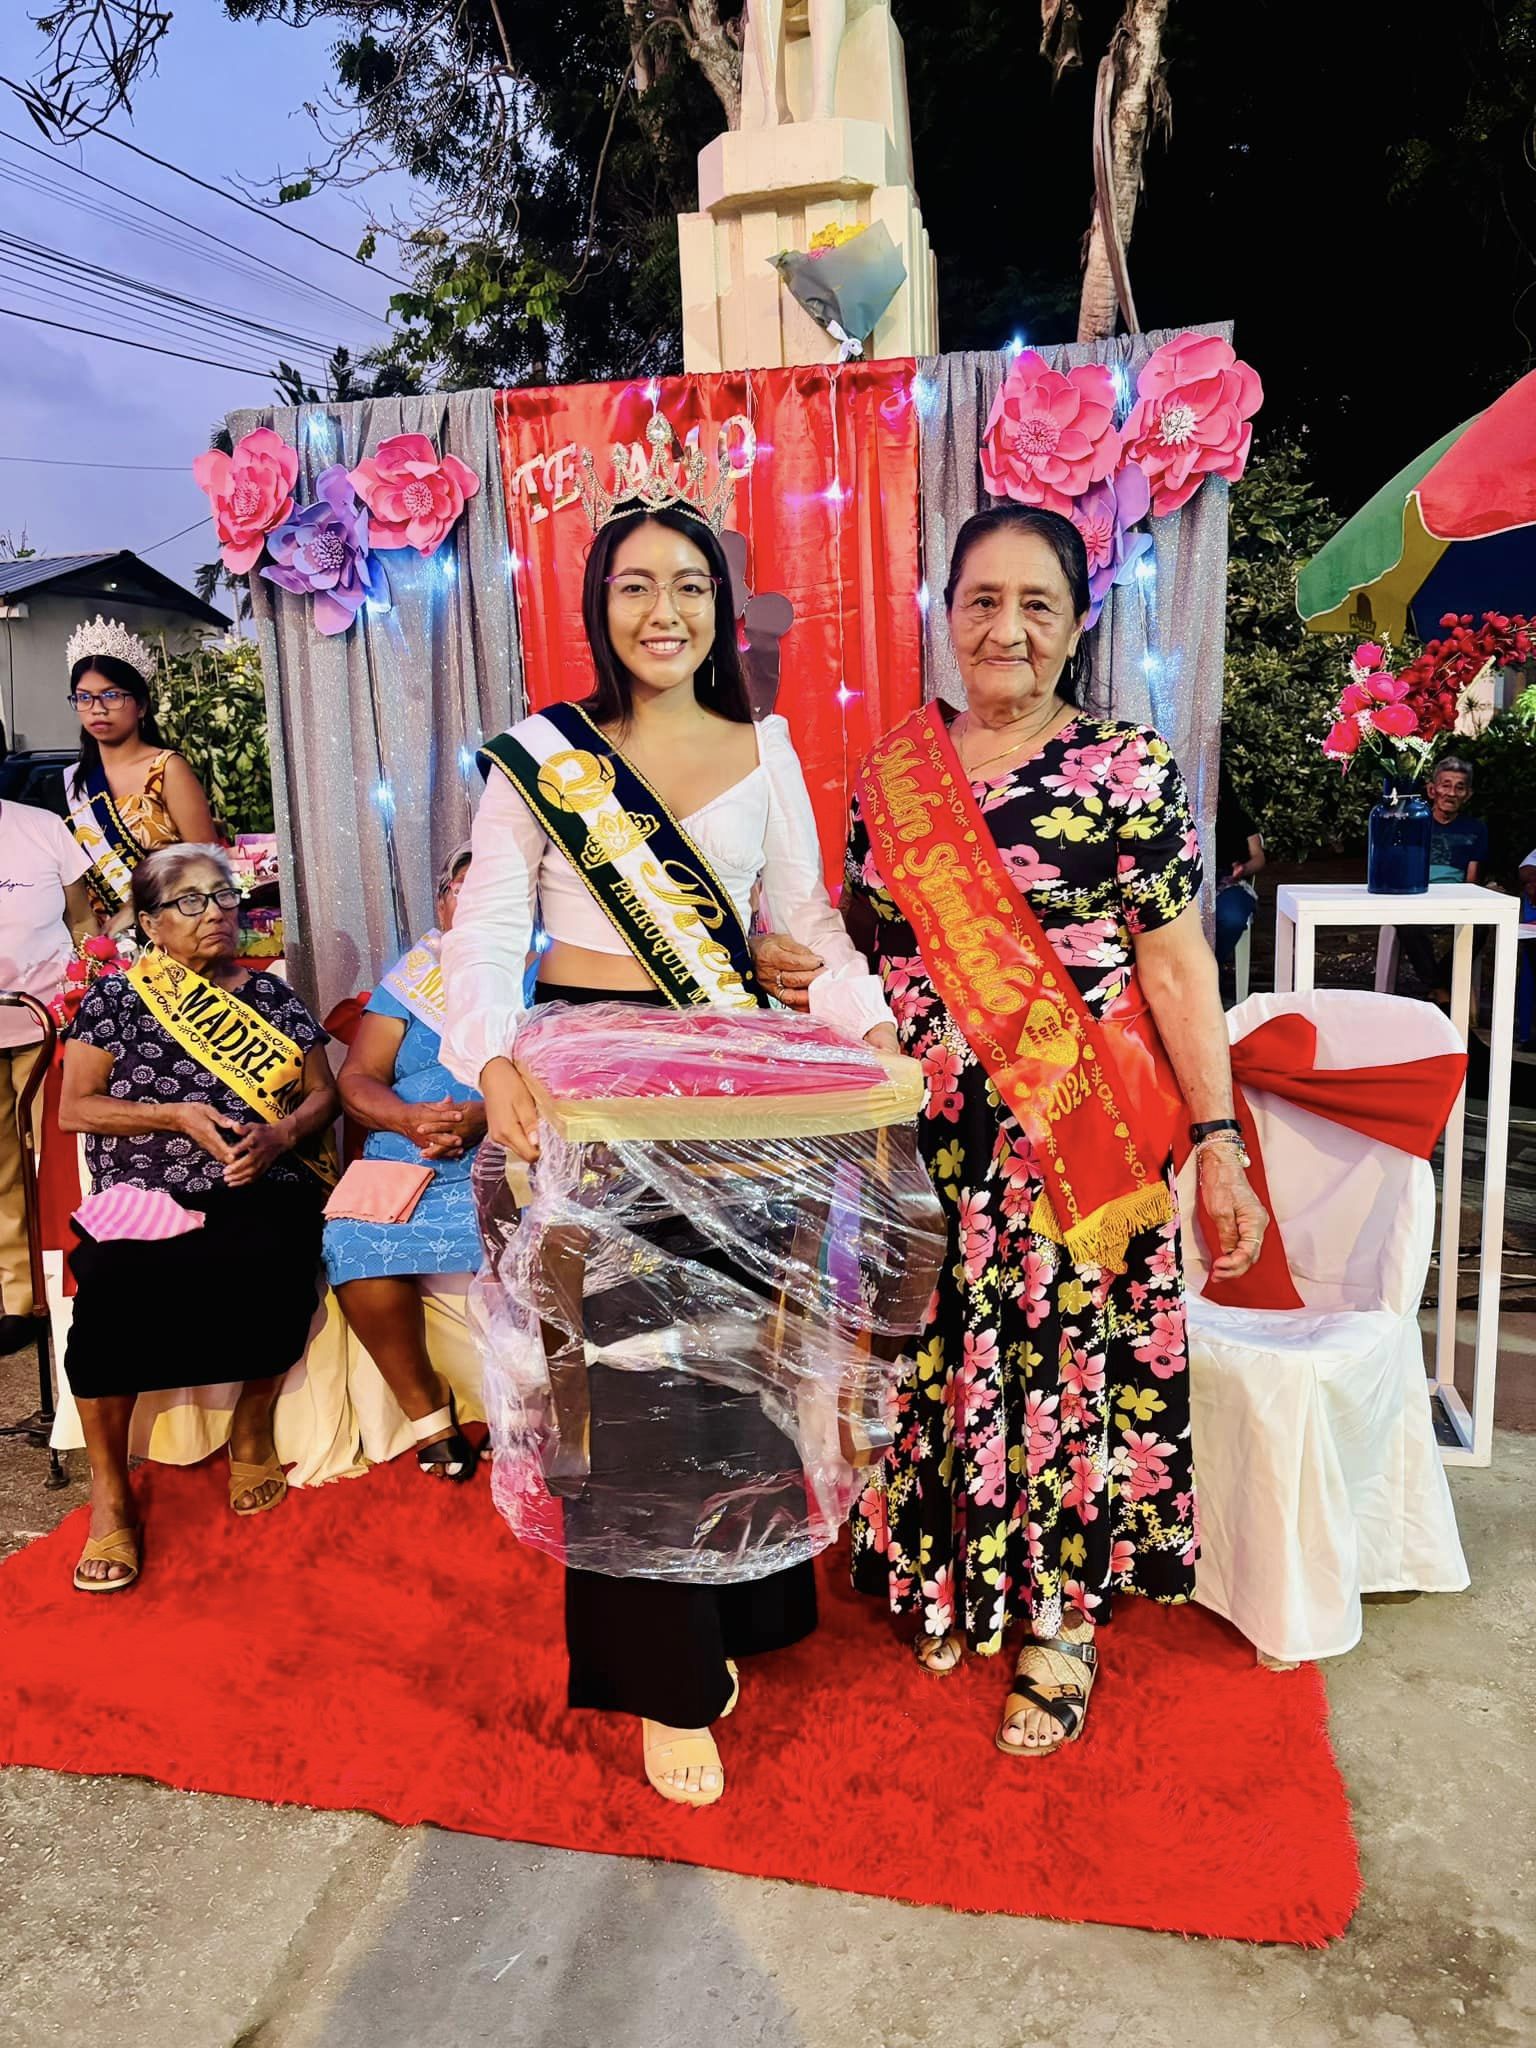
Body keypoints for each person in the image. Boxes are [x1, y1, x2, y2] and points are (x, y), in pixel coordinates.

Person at [766, 505, 1266, 1760]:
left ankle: (1060, 1615)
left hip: (1072, 1142)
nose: (1008, 628)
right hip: (926, 1137)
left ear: (1079, 623)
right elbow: (868, 954)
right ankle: (946, 1571)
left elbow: (1177, 964)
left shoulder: (1126, 767)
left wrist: (1218, 1137)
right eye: (984, 600)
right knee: (935, 1356)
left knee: (1062, 1370)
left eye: (1038, 603)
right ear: (947, 614)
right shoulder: (890, 778)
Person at [442, 496, 898, 1809]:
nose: (664, 610)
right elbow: (488, 931)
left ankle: (740, 1606)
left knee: (738, 1363)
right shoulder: (543, 757)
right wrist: (493, 1060)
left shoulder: (768, 743)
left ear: (720, 606)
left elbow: (802, 917)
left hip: (736, 1086)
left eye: (689, 584)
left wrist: (866, 1028)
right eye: (635, 584)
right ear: (599, 607)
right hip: (591, 1093)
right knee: (625, 1381)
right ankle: (662, 1677)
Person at [58, 845, 338, 1592]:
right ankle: (111, 1492)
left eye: (222, 896)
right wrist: (175, 1116)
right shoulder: (117, 999)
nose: (214, 911)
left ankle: (250, 1423)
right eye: (189, 900)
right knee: (114, 1284)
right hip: (145, 1191)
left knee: (279, 1252)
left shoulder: (272, 997)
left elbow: (324, 1095)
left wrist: (282, 1135)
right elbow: (74, 1109)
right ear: (150, 924)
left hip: (261, 1178)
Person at [324, 843, 485, 1480]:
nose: (470, 903)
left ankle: (520, 1411)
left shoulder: (543, 973)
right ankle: (429, 1416)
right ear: (441, 903)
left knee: (532, 1240)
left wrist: (485, 1117)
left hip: (502, 1150)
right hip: (403, 1151)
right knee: (352, 1242)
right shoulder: (415, 975)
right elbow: (358, 1077)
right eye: (458, 890)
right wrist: (407, 1118)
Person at [0, 794, 96, 1354]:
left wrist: (90, 994)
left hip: (53, 1028)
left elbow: (81, 920)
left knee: (60, 1164)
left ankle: (68, 1289)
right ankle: (19, 1301)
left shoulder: (40, 827)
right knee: (3, 1170)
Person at [61, 617, 218, 928]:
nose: (97, 708)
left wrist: (136, 909)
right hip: (100, 942)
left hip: (172, 932)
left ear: (142, 705)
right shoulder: (70, 784)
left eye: (112, 695)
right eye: (84, 697)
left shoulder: (167, 769)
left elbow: (207, 863)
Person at [1397, 756, 1488, 1003]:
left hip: (1455, 899)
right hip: (1417, 896)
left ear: (1468, 794)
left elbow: (1471, 879)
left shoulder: (1476, 829)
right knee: (1405, 923)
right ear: (1431, 790)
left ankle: (1438, 986)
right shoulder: (1414, 823)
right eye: (1445, 785)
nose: (1451, 793)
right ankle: (1442, 990)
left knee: (1481, 927)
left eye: (1460, 787)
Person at [1213, 755, 1265, 1007]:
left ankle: (1208, 971)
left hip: (1229, 883)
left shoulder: (1237, 817)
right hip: (1189, 886)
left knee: (1231, 918)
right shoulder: (1178, 814)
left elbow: (1258, 858)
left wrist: (1242, 869)